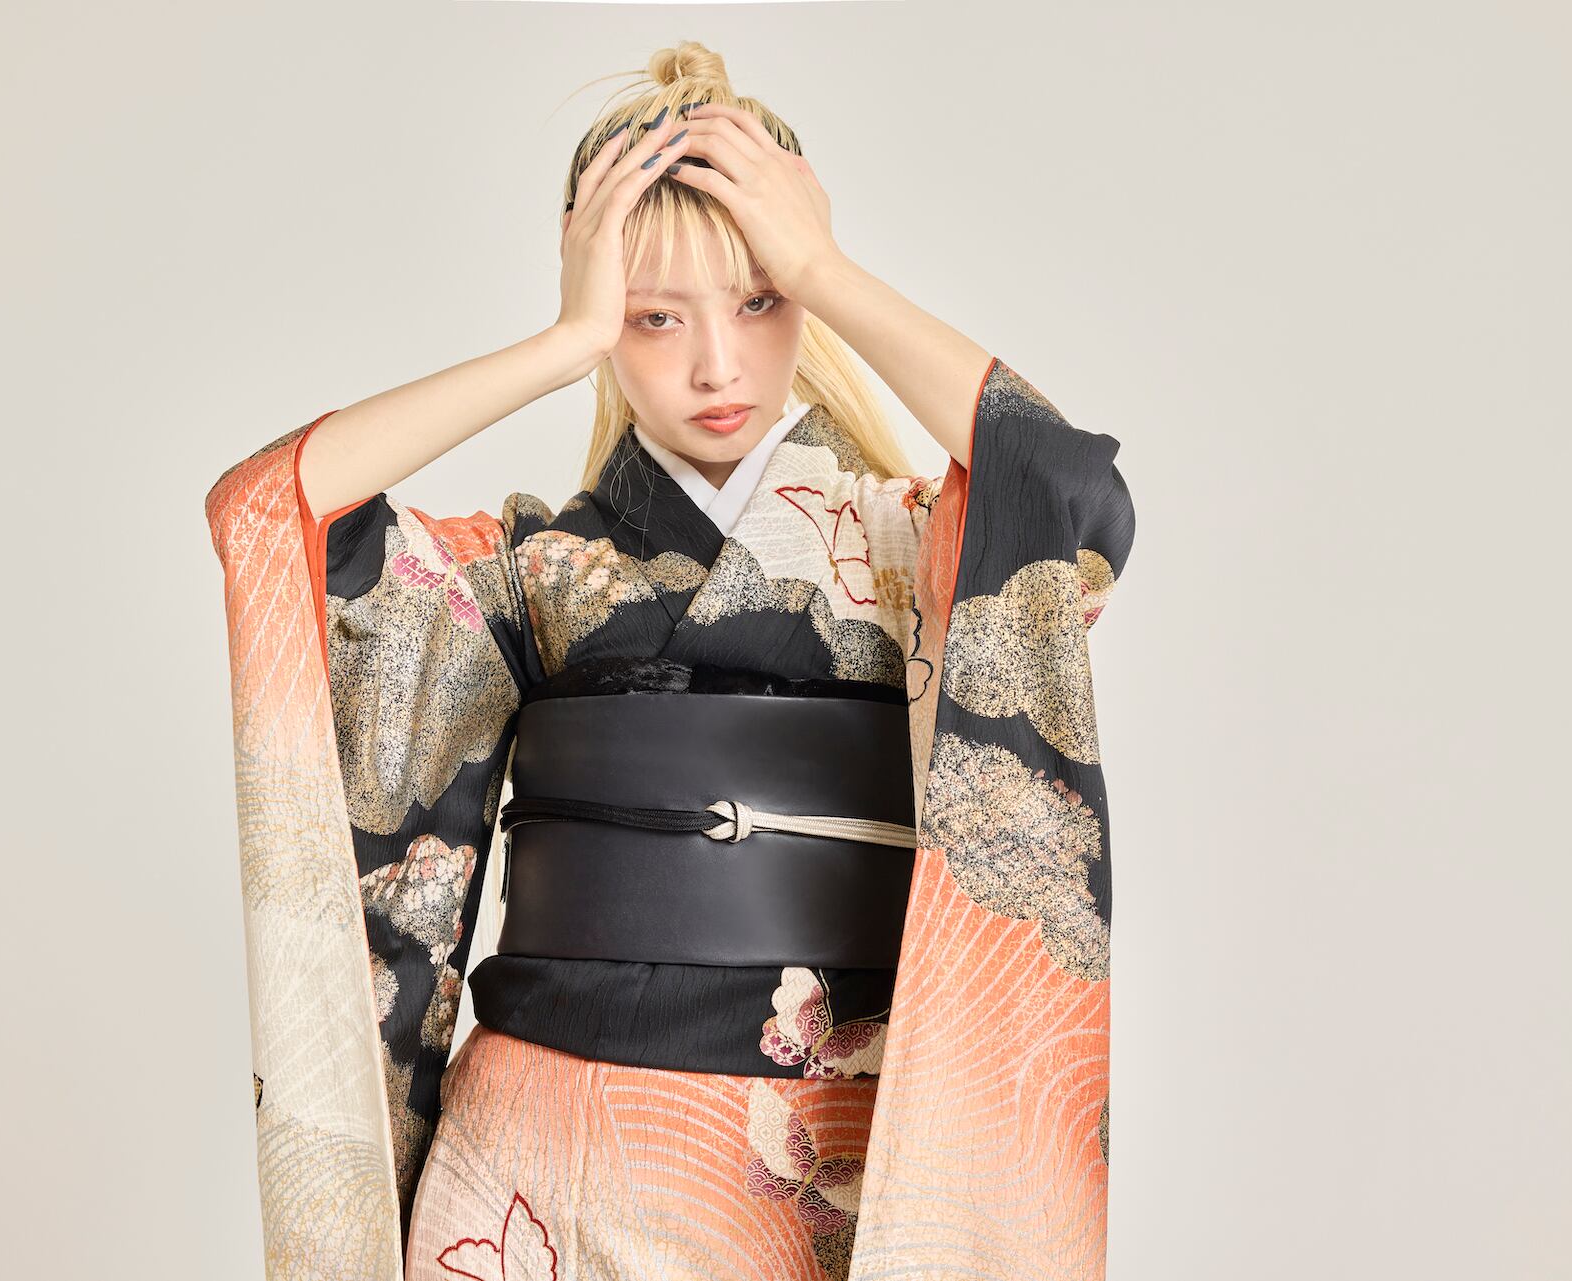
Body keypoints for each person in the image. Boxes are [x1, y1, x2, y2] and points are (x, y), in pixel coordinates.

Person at [205, 40, 1135, 1281]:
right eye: (655, 317)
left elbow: (1071, 502)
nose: (716, 366)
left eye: (760, 302)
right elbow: (270, 513)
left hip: (814, 1155)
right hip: (535, 1154)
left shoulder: (907, 542)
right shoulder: (536, 570)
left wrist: (829, 269)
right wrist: (565, 337)